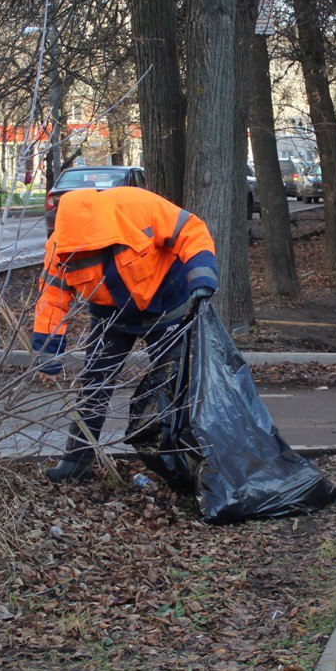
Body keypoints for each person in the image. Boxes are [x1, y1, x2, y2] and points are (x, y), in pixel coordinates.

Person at [33, 186, 218, 482]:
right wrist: (48, 357)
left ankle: (186, 461)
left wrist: (202, 276)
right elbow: (52, 300)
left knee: (174, 384)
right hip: (111, 318)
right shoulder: (60, 249)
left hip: (165, 303)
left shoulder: (138, 207)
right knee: (94, 383)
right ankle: (77, 461)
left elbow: (191, 231)